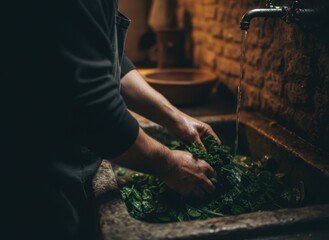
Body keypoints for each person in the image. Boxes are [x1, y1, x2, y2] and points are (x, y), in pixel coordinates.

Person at [1, 1, 220, 240]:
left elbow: (106, 58)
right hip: (35, 180)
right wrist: (170, 165)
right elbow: (93, 107)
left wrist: (175, 117)